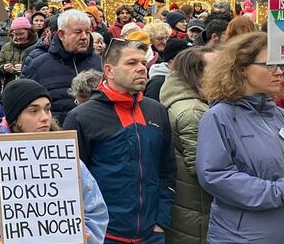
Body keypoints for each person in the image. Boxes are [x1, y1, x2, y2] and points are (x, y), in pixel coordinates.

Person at [0, 78, 108, 244]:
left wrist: (83, 233)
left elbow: (94, 211)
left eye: (47, 109)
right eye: (34, 111)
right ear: (15, 118)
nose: (45, 118)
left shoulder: (66, 159)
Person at [63, 38, 175, 244]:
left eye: (143, 62)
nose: (141, 68)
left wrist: (161, 220)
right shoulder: (81, 117)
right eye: (132, 63)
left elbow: (167, 170)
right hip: (103, 235)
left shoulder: (156, 110)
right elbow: (70, 182)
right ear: (109, 70)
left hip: (151, 235)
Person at [196, 32, 284, 243]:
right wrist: (277, 191)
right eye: (270, 65)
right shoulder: (218, 117)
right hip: (242, 236)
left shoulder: (278, 115)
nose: (279, 72)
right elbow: (215, 176)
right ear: (242, 68)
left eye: (281, 65)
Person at [159, 47, 216, 244]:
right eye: (215, 68)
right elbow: (205, 171)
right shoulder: (192, 111)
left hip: (191, 208)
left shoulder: (192, 104)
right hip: (197, 212)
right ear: (196, 74)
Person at [21, 10, 102, 124]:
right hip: (57, 137)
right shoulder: (38, 66)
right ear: (62, 35)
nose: (84, 37)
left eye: (87, 32)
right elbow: (24, 107)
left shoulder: (101, 64)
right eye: (78, 32)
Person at [0, 17, 38, 85]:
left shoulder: (37, 47)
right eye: (15, 34)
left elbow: (41, 70)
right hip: (11, 86)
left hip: (30, 86)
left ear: (29, 32)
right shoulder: (7, 47)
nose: (18, 37)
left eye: (21, 34)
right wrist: (4, 68)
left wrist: (24, 69)